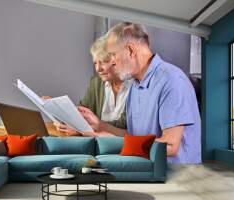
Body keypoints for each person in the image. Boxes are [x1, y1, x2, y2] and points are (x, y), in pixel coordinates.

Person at [79, 22, 201, 164]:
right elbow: (133, 136)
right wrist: (101, 130)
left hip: (176, 175)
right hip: (148, 169)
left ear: (131, 50)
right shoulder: (135, 86)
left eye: (113, 55)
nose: (111, 62)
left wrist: (117, 144)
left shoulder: (172, 80)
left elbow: (169, 146)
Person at [43, 36, 131, 135]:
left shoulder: (135, 87)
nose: (98, 69)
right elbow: (83, 111)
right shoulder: (96, 82)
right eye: (95, 63)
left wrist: (83, 129)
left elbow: (123, 126)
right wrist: (58, 107)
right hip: (96, 142)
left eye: (103, 62)